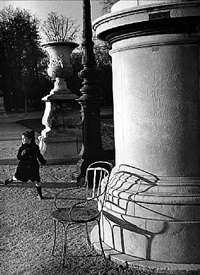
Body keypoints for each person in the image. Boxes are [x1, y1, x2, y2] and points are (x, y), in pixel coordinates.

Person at [4, 130, 47, 200]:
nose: (23, 140)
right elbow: (18, 157)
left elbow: (39, 155)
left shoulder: (35, 147)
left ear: (29, 139)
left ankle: (39, 194)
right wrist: (21, 155)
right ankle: (11, 179)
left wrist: (43, 161)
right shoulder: (22, 148)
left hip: (33, 166)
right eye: (22, 139)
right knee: (17, 177)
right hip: (23, 166)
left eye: (24, 138)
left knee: (37, 180)